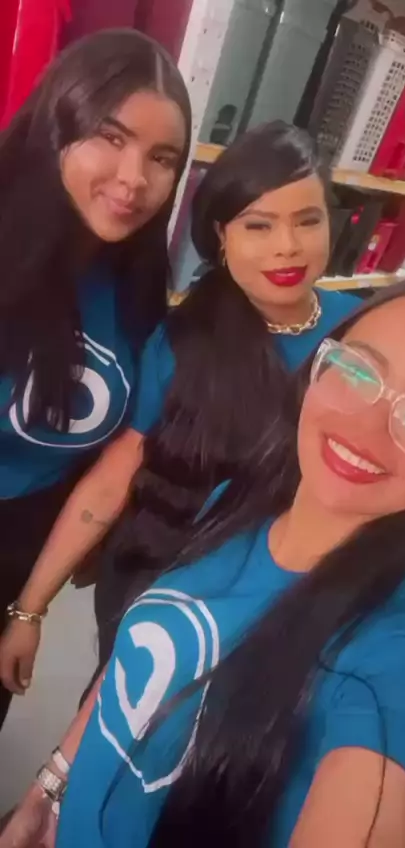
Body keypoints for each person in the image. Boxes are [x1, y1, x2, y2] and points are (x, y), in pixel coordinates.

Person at [1, 272, 405, 848]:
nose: (365, 426)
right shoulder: (239, 502)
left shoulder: (402, 671)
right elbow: (145, 658)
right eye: (358, 370)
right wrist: (51, 784)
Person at [0, 121, 359, 697]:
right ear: (221, 236)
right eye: (258, 225)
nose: (287, 246)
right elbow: (111, 480)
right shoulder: (181, 343)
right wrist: (29, 609)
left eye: (307, 220)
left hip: (290, 595)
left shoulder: (366, 330)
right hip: (162, 585)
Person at [0, 27, 191, 730]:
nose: (134, 178)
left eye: (162, 157)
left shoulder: (138, 293)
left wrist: (29, 607)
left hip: (22, 547)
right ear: (59, 124)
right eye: (110, 137)